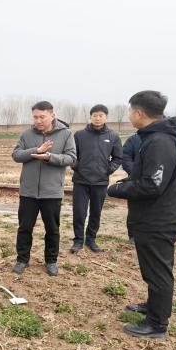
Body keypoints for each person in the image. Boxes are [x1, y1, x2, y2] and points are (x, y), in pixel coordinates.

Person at [107, 90, 176, 338]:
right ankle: (154, 306)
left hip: (160, 218)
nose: (129, 115)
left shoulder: (160, 142)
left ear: (139, 112)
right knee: (154, 268)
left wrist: (117, 189)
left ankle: (157, 323)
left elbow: (152, 185)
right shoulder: (158, 137)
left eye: (129, 111)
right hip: (157, 215)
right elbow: (150, 177)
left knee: (158, 271)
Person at [11, 101, 77, 276]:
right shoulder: (27, 134)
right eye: (35, 117)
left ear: (52, 115)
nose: (38, 121)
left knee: (52, 229)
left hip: (52, 192)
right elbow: (16, 155)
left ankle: (51, 261)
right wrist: (36, 150)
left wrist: (49, 157)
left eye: (42, 117)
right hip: (28, 191)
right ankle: (22, 259)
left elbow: (71, 158)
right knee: (24, 228)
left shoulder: (66, 134)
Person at [70, 104, 123, 253]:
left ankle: (91, 239)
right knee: (79, 212)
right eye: (95, 116)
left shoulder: (113, 136)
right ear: (90, 117)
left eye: (101, 116)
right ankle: (78, 240)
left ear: (106, 117)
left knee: (95, 212)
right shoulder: (79, 135)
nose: (97, 118)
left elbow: (118, 157)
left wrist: (107, 170)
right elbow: (72, 155)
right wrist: (77, 167)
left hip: (100, 182)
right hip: (81, 181)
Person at [121, 133, 142, 242]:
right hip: (135, 180)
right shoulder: (134, 139)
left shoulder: (163, 138)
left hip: (157, 180)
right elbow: (125, 157)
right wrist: (136, 172)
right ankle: (133, 235)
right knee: (134, 208)